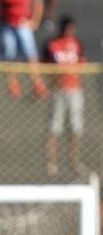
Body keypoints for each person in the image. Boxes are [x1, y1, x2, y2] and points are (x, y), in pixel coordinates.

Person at [42, 16, 86, 176]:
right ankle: (51, 163)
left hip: (74, 90)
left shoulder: (76, 43)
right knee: (54, 127)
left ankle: (74, 162)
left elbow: (82, 63)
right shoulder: (51, 44)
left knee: (75, 127)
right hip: (57, 90)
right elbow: (43, 64)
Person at [0, 0, 48, 99]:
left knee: (30, 53)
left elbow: (38, 2)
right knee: (9, 53)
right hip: (6, 24)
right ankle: (12, 82)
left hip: (23, 23)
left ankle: (36, 81)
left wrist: (35, 21)